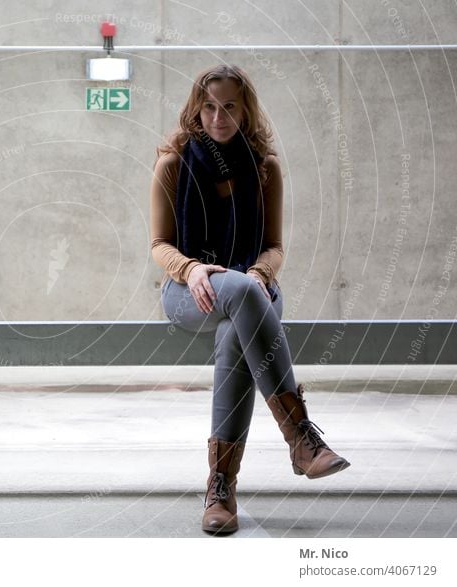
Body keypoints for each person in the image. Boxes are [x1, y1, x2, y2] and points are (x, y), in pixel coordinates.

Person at [149, 64, 350, 535]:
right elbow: (159, 244)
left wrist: (259, 272)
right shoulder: (173, 163)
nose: (219, 117)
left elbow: (275, 247)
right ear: (197, 109)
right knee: (236, 291)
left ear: (246, 109)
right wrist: (191, 268)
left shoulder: (265, 167)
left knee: (234, 335)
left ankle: (221, 490)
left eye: (230, 106)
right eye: (210, 107)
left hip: (255, 290)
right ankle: (302, 439)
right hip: (189, 291)